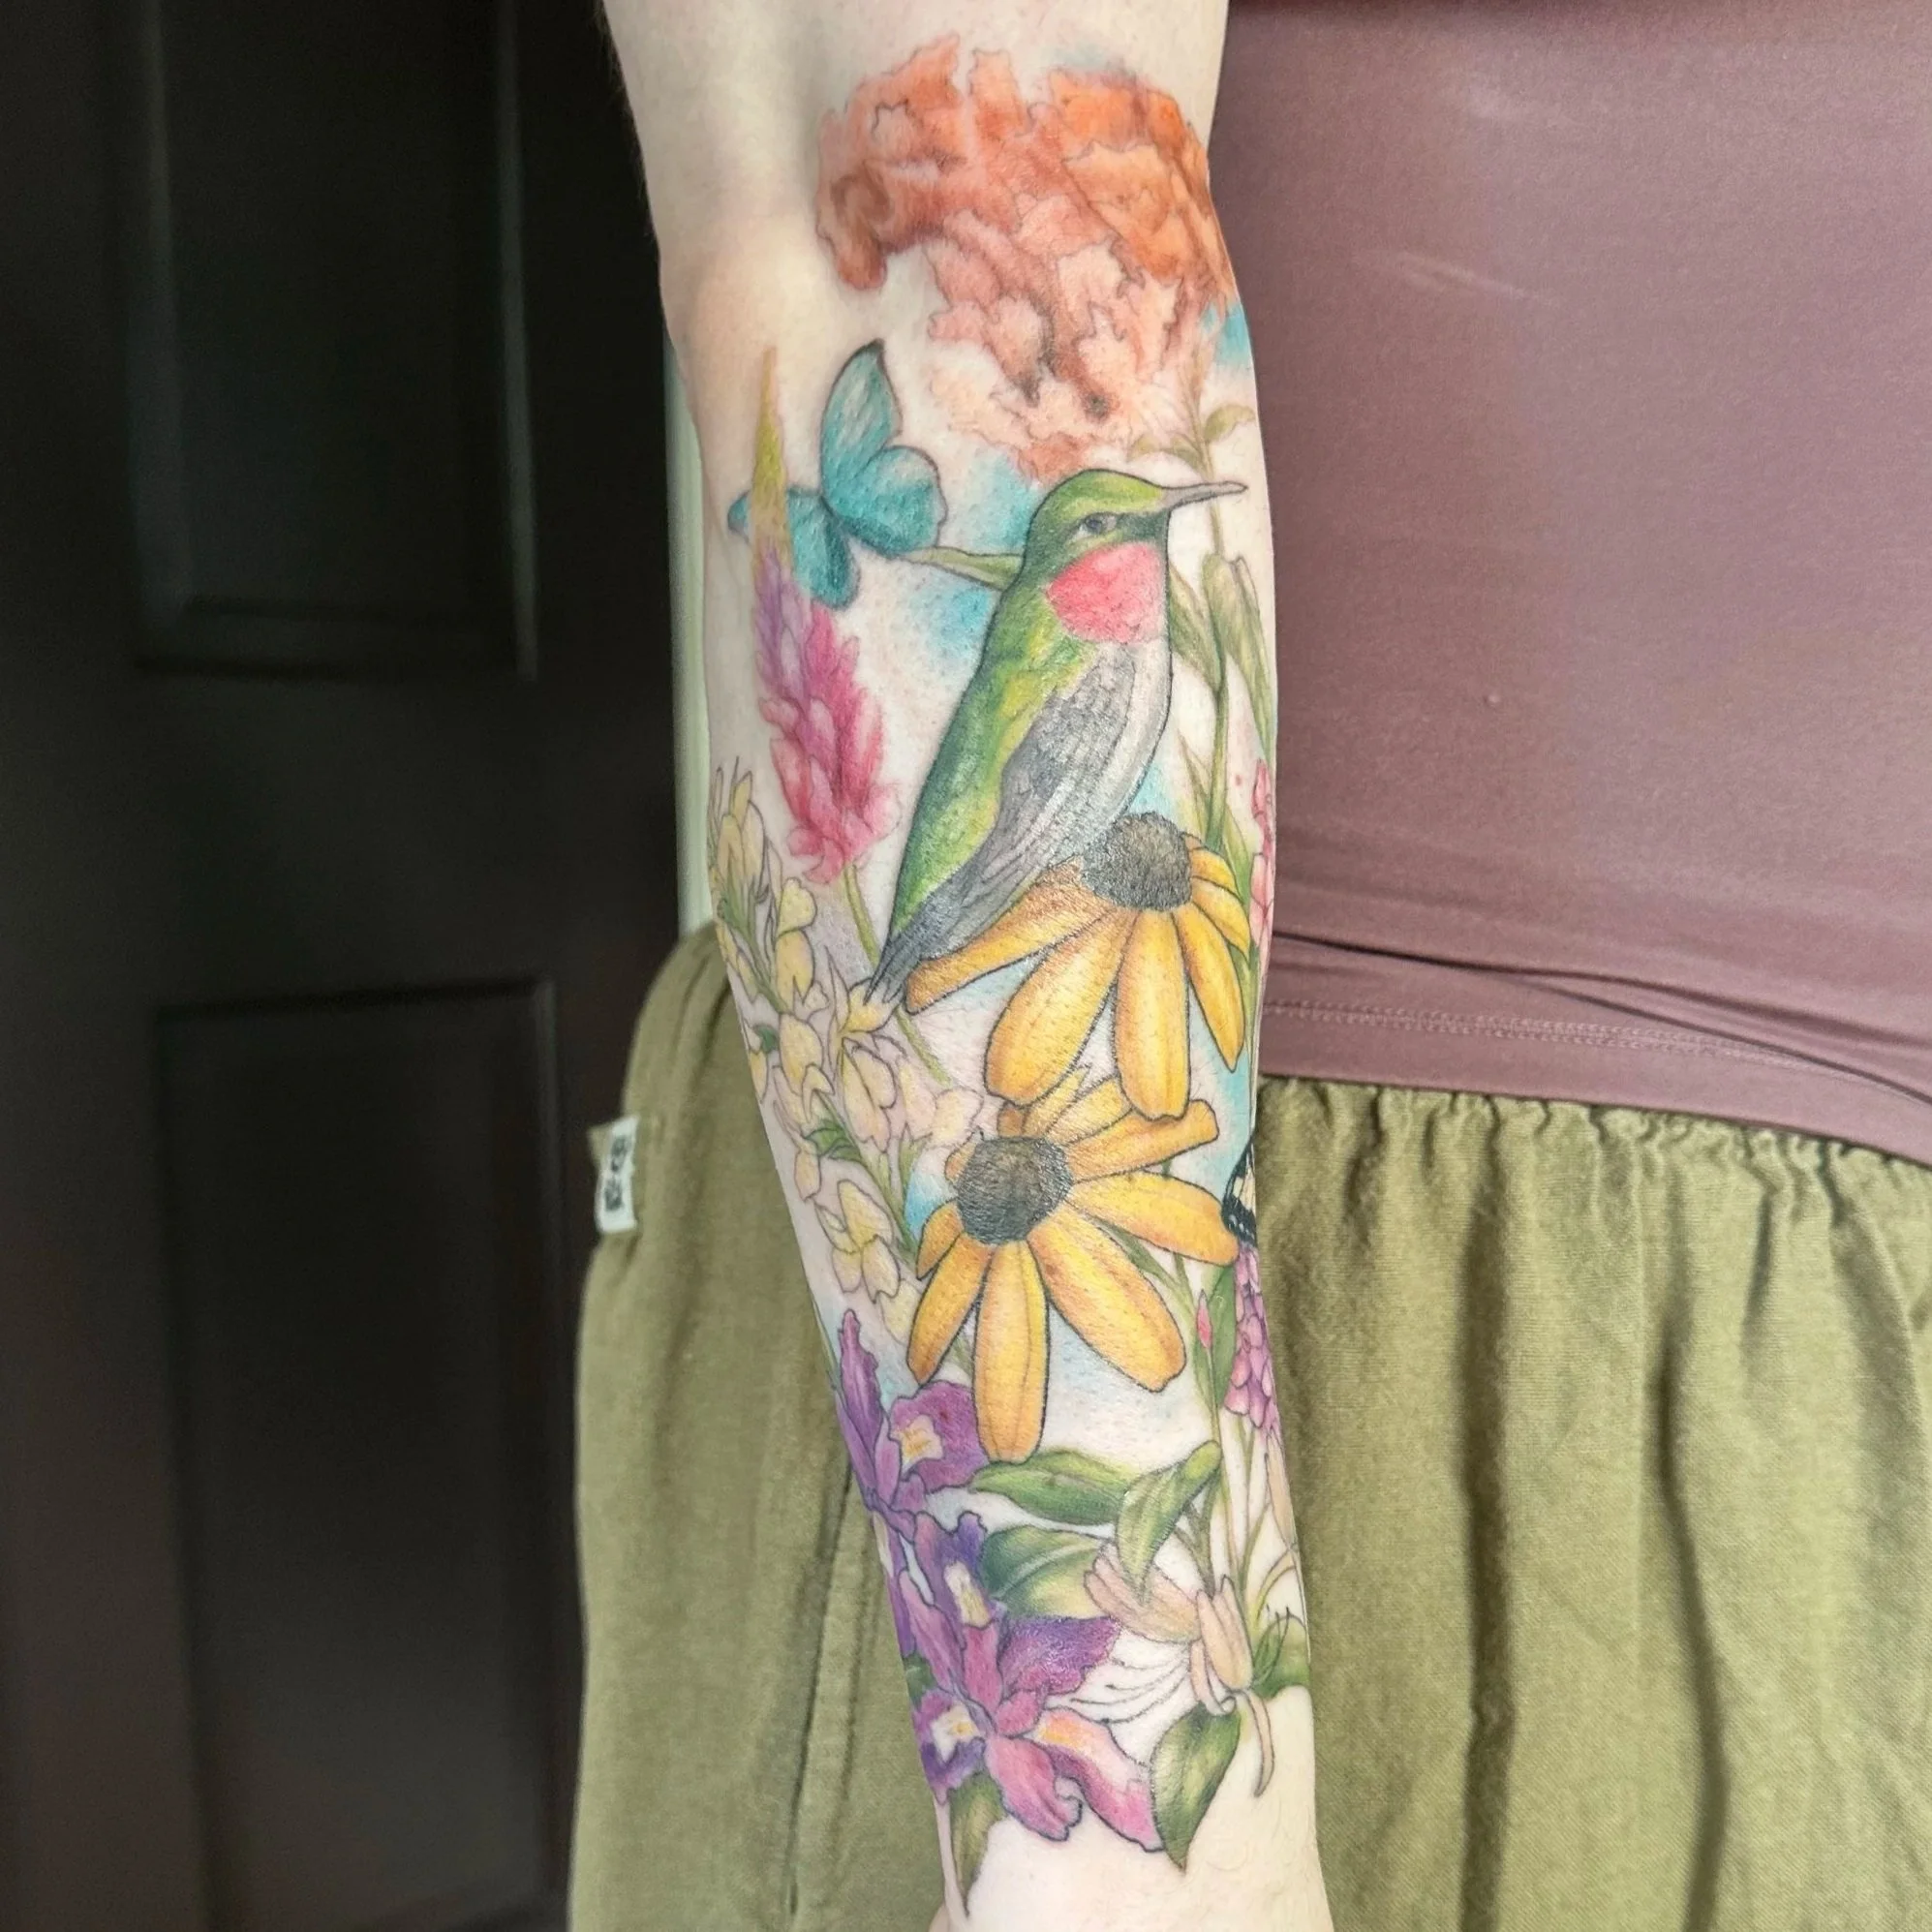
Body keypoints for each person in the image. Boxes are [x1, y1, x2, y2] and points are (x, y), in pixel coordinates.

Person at [578, 4, 1932, 1928]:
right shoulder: (1068, 636)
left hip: (1822, 1330)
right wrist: (1132, 1818)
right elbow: (887, 222)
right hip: (1197, 1256)